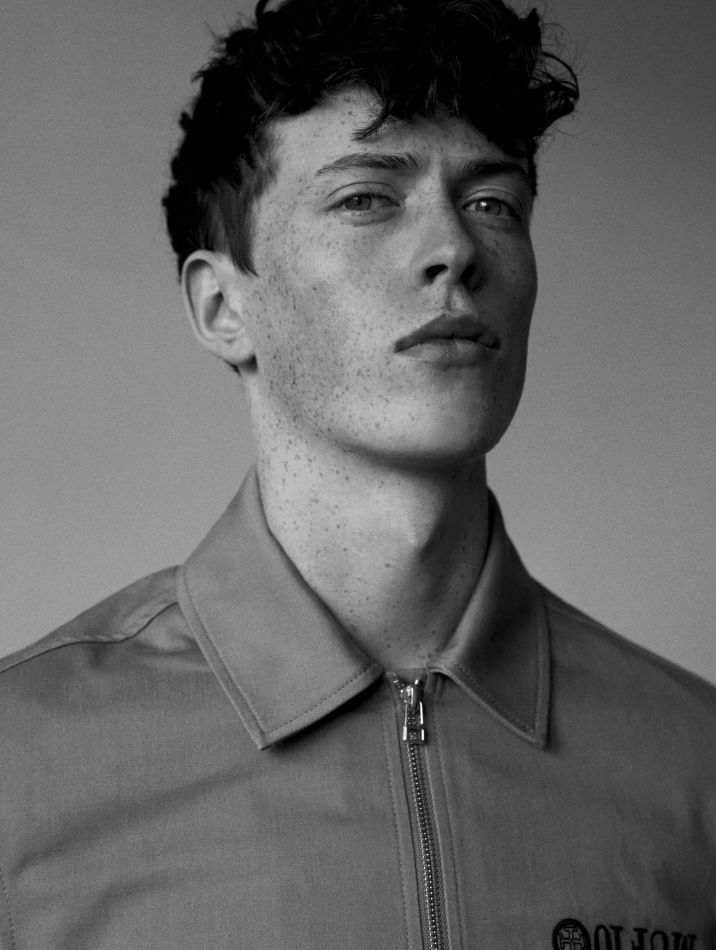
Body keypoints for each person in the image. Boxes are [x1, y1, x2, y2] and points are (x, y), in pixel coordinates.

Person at [1, 0, 714, 947]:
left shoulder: (695, 765)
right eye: (367, 198)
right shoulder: (21, 766)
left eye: (493, 203)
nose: (455, 249)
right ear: (223, 308)